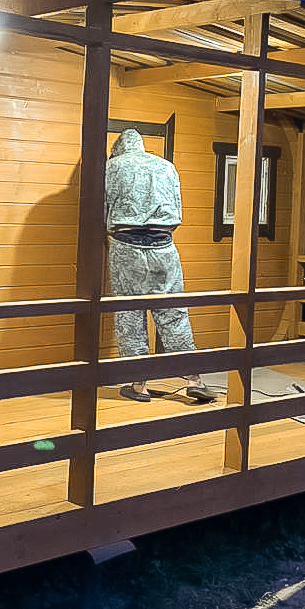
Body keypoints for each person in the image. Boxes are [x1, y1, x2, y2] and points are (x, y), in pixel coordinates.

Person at [104, 129, 215, 403]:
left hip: (126, 246)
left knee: (130, 315)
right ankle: (194, 379)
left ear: (118, 148)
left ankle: (139, 385)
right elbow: (177, 206)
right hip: (165, 246)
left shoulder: (112, 167)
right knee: (174, 314)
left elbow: (101, 209)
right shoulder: (166, 166)